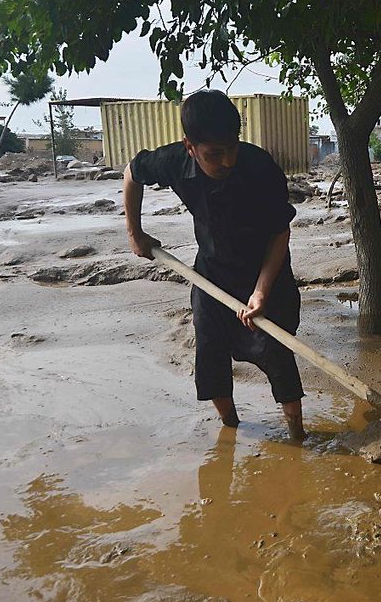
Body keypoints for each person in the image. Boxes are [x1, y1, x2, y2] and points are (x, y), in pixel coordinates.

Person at [122, 90, 306, 439]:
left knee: (277, 353)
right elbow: (132, 173)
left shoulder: (259, 167)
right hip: (211, 273)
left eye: (232, 147)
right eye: (214, 154)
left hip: (266, 271)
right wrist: (135, 232)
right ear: (189, 146)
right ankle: (231, 430)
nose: (227, 162)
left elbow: (279, 232)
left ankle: (298, 434)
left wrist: (260, 292)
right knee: (209, 352)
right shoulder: (173, 161)